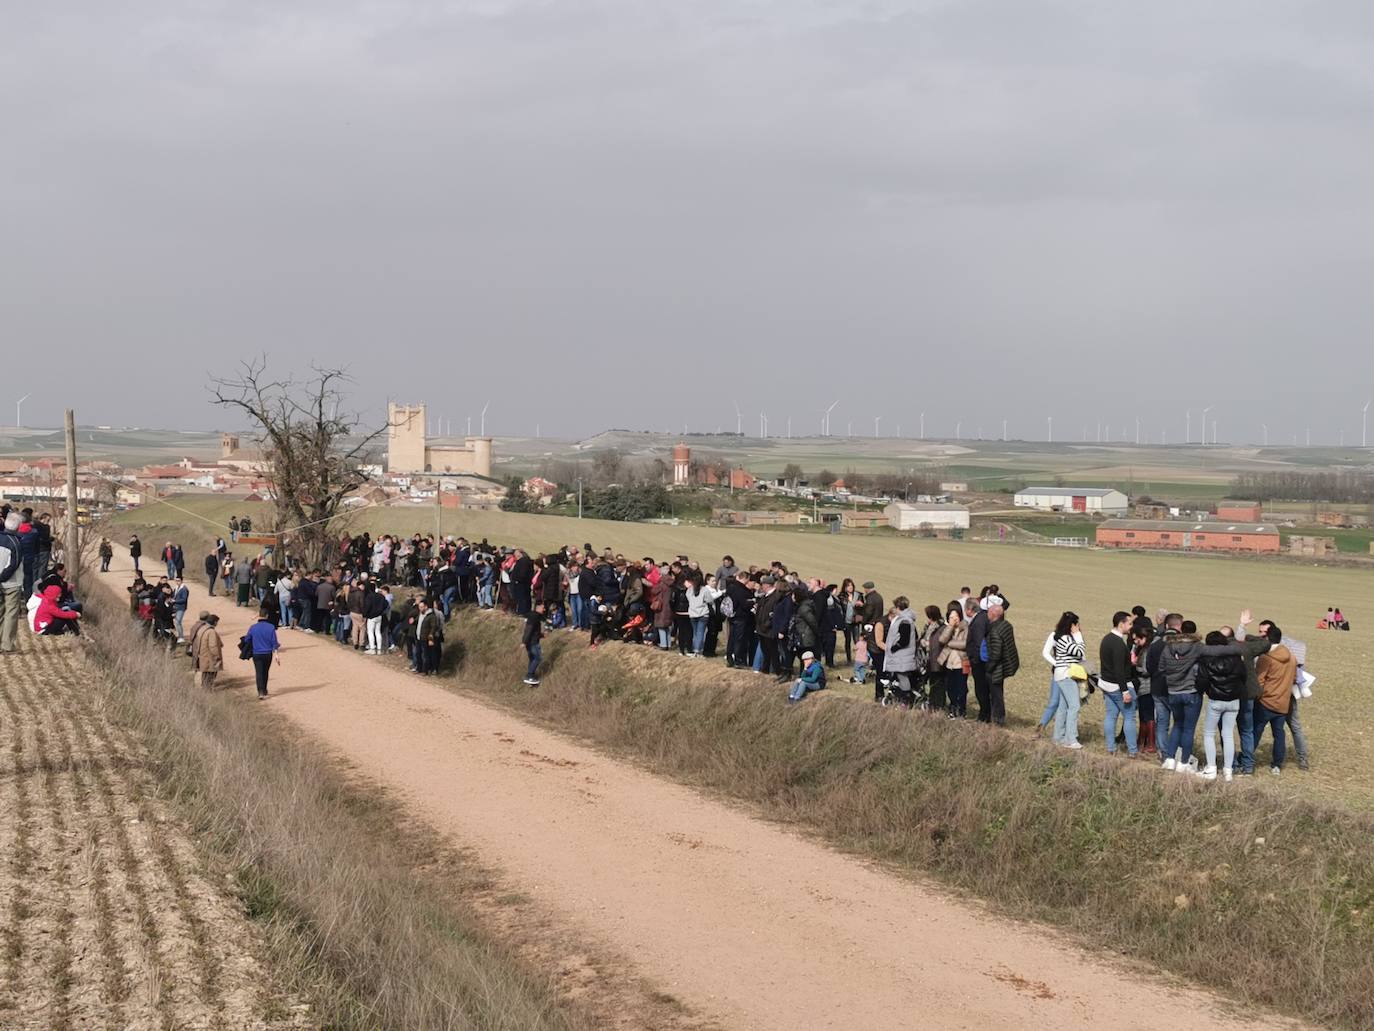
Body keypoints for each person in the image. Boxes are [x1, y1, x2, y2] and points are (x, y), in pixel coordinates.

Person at [1197, 630, 1245, 781]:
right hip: (1234, 701)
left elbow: (1202, 679)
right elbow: (1244, 676)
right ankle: (1228, 770)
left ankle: (1211, 768)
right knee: (1228, 734)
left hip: (1216, 700)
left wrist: (1206, 691)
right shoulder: (1236, 657)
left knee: (1209, 734)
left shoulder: (1206, 659)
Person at [1253, 624, 1297, 775]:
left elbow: (1259, 680)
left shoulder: (1265, 658)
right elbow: (1295, 678)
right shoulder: (1292, 657)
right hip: (1283, 703)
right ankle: (1277, 764)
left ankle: (1247, 760)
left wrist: (1258, 697)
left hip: (1266, 702)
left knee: (1256, 731)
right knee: (1279, 734)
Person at [1098, 611, 1138, 757]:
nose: (1131, 626)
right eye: (1130, 623)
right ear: (1121, 624)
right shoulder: (1119, 645)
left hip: (1106, 684)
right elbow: (1119, 670)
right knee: (1129, 717)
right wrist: (1125, 691)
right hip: (1119, 685)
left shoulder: (1106, 639)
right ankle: (1133, 751)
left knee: (1111, 716)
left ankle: (1111, 748)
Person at [1041, 612, 1084, 748]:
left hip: (1062, 674)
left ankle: (1058, 737)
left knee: (1063, 707)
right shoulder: (1066, 638)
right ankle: (1070, 739)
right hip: (1066, 674)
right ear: (1072, 625)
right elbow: (1080, 652)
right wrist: (1078, 636)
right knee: (1074, 706)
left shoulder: (1059, 636)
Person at [983, 603, 1018, 726]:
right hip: (1005, 665)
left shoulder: (995, 631)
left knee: (996, 695)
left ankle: (998, 720)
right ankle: (998, 718)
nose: (987, 614)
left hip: (996, 669)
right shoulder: (1006, 625)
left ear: (993, 614)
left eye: (988, 612)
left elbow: (996, 654)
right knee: (998, 693)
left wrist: (988, 668)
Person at [882, 598, 919, 703]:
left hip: (902, 655)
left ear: (898, 607)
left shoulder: (904, 621)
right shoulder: (906, 619)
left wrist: (894, 647)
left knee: (903, 677)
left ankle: (906, 699)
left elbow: (904, 640)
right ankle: (904, 698)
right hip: (903, 655)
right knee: (901, 677)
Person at [935, 603, 969, 719]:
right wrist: (950, 626)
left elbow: (964, 644)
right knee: (950, 688)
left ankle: (961, 710)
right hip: (949, 663)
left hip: (961, 662)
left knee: (961, 688)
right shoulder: (948, 629)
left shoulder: (965, 627)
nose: (954, 619)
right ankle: (953, 707)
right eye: (950, 617)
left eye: (955, 617)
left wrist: (950, 644)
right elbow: (942, 640)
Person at [0, 513, 24, 653]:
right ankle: (7, 645)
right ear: (18, 527)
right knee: (11, 613)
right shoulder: (15, 542)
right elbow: (13, 565)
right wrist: (2, 577)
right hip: (11, 583)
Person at [246, 607, 281, 698]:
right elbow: (274, 642)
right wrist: (276, 654)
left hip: (256, 653)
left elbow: (247, 639)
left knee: (259, 672)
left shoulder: (253, 627)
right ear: (267, 616)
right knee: (265, 671)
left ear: (259, 615)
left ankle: (260, 691)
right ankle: (264, 689)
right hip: (267, 653)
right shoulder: (271, 627)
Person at [192, 613, 224, 689]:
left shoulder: (202, 629)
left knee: (205, 674)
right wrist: (217, 657)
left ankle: (205, 689)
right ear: (215, 622)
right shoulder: (211, 632)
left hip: (203, 655)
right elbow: (213, 646)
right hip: (210, 657)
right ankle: (208, 690)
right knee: (210, 675)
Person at [414, 597, 443, 675]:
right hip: (418, 637)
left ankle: (425, 670)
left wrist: (430, 638)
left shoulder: (431, 616)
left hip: (425, 638)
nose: (420, 608)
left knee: (426, 655)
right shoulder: (420, 614)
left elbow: (434, 627)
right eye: (419, 607)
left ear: (426, 607)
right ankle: (419, 668)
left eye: (421, 607)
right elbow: (417, 622)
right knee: (418, 653)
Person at [523, 602, 544, 685]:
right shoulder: (534, 617)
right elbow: (529, 630)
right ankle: (530, 675)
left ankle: (531, 677)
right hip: (533, 642)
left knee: (532, 659)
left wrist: (541, 635)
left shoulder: (534, 616)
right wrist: (524, 642)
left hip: (530, 641)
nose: (544, 609)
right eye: (543, 608)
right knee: (538, 658)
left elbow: (534, 631)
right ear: (538, 608)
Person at [172, 577, 190, 641]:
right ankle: (179, 636)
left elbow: (184, 599)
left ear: (182, 581)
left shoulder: (184, 589)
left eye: (178, 580)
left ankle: (181, 636)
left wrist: (175, 601)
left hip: (181, 607)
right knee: (176, 622)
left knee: (178, 622)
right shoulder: (176, 588)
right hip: (175, 607)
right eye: (176, 581)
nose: (177, 582)